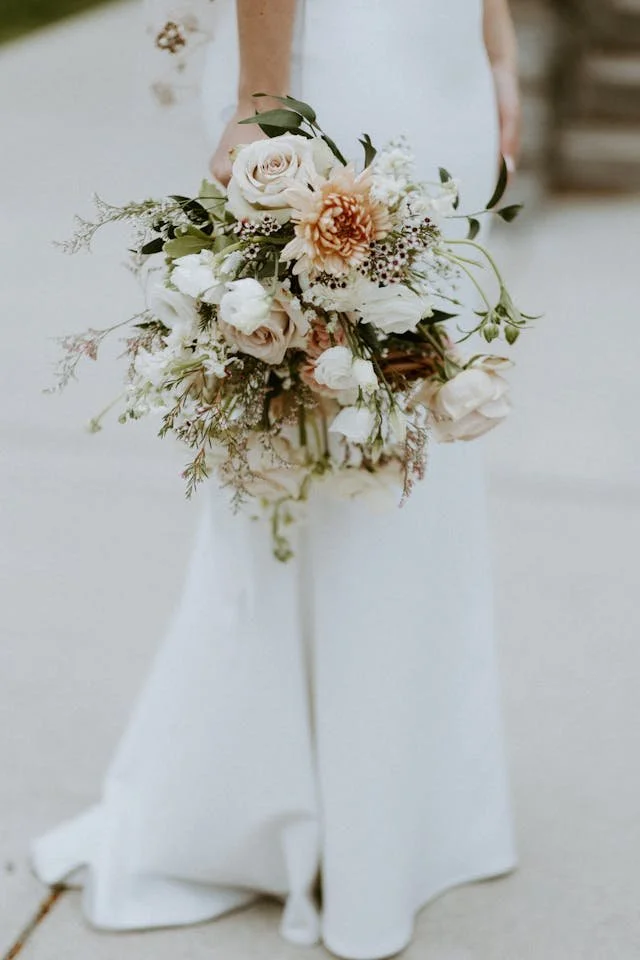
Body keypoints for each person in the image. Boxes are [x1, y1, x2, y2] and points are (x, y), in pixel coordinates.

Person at [32, 2, 521, 957]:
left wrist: (493, 47)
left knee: (410, 438)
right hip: (332, 70)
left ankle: (402, 815)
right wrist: (262, 99)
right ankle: (306, 809)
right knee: (317, 434)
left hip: (441, 63)